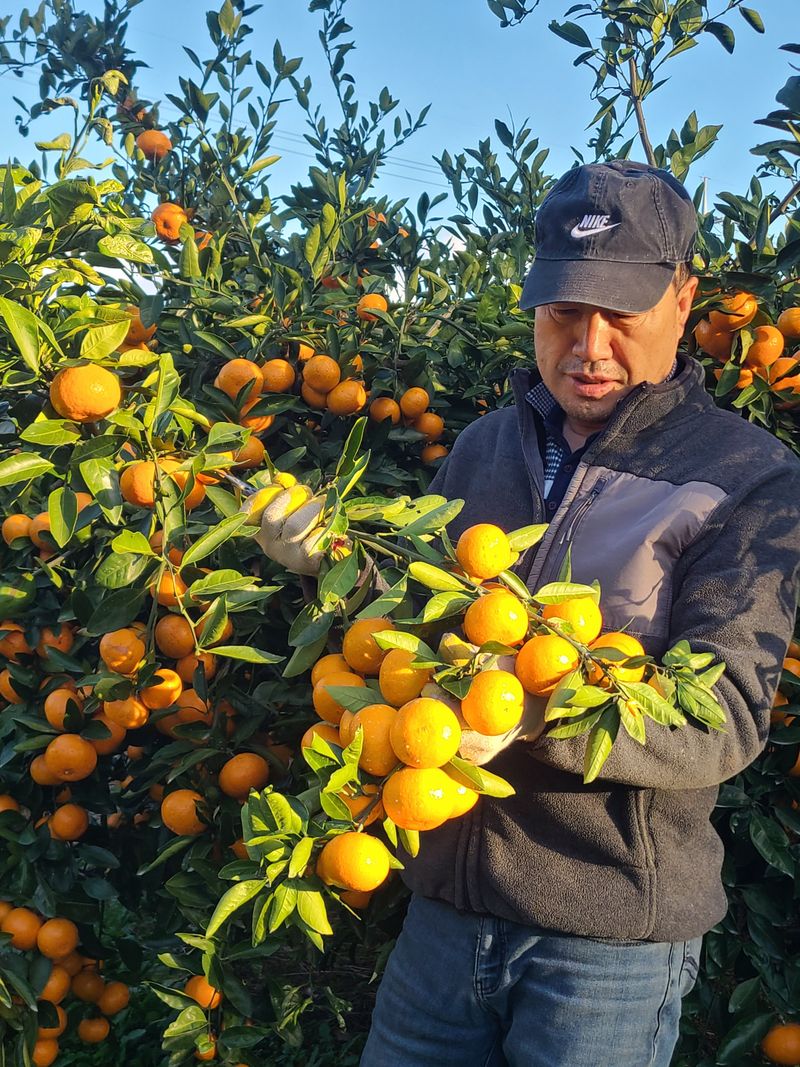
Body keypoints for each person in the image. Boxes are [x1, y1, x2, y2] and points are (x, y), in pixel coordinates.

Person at [257, 161, 800, 1067]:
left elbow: (727, 717)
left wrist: (521, 710)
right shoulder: (480, 448)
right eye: (562, 313)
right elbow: (417, 636)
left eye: (620, 315)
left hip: (605, 946)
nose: (588, 345)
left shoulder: (747, 479)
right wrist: (334, 565)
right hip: (443, 913)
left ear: (683, 296)